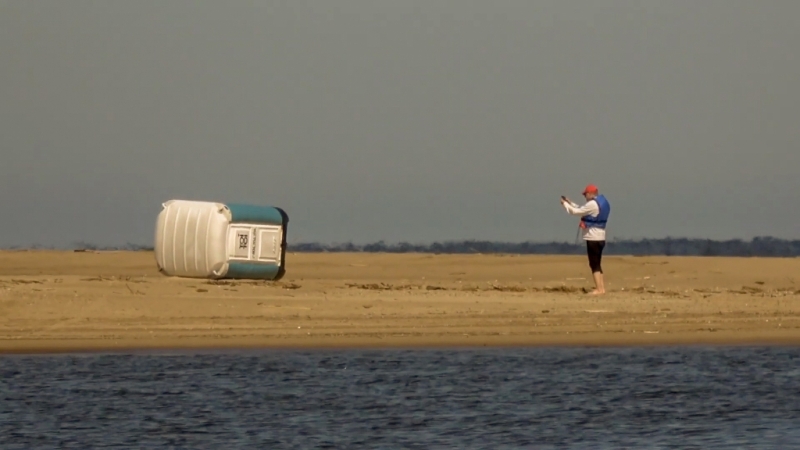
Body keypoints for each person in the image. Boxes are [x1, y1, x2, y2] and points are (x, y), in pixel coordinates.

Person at [560, 184, 610, 295]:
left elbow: (576, 212)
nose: (584, 197)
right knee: (598, 263)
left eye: (585, 194)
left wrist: (565, 205)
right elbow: (582, 209)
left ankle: (599, 289)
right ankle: (601, 288)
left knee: (594, 264)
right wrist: (570, 202)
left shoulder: (592, 204)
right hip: (601, 237)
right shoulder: (601, 203)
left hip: (593, 238)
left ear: (590, 194)